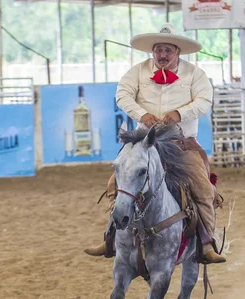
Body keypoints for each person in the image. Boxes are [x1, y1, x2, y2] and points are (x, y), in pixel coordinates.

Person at [84, 23, 226, 265]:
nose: (162, 55)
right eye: (158, 50)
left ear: (177, 52)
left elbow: (205, 101)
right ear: (152, 51)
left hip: (182, 143)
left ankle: (206, 242)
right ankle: (112, 237)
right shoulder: (136, 72)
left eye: (167, 50)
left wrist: (180, 114)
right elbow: (123, 95)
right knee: (115, 184)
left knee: (202, 187)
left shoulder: (195, 74)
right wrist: (142, 115)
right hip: (144, 142)